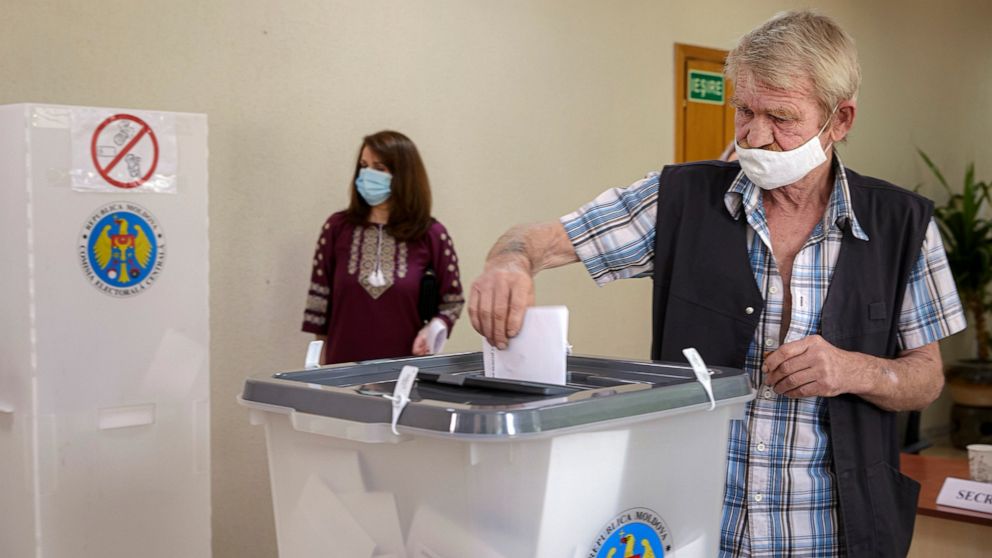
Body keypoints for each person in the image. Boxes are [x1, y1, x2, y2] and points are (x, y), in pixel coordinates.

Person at [469, 11, 965, 557]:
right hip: (694, 528)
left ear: (840, 120)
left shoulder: (902, 225)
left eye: (781, 117)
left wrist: (853, 370)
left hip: (832, 535)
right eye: (744, 111)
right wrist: (510, 263)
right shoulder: (679, 201)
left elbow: (925, 378)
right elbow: (536, 239)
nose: (755, 136)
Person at [303, 130, 464, 364]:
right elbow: (319, 303)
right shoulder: (337, 228)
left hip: (405, 372)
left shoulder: (431, 235)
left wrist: (434, 328)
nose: (367, 175)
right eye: (363, 166)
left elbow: (452, 300)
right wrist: (317, 368)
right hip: (342, 370)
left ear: (403, 175)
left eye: (379, 168)